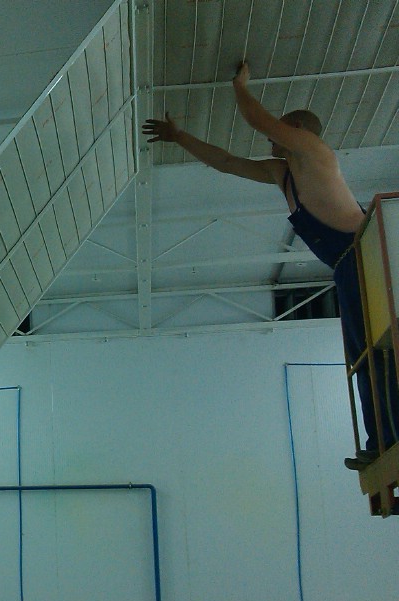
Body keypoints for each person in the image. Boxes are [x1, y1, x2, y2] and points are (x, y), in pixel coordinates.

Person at [142, 61, 399, 470]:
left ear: (296, 130)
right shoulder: (283, 174)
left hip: (365, 255)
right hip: (345, 268)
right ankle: (382, 441)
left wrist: (239, 85)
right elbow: (227, 162)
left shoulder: (315, 153)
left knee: (381, 348)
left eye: (280, 130)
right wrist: (180, 138)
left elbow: (257, 119)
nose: (270, 138)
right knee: (363, 355)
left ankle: (391, 436)